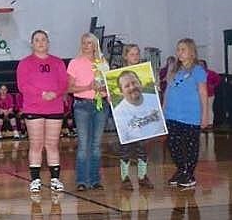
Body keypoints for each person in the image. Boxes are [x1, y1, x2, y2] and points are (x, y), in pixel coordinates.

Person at [17, 30, 68, 194]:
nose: (40, 43)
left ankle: (55, 179)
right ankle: (35, 180)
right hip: (34, 108)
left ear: (48, 42)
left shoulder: (58, 62)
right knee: (36, 144)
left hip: (54, 108)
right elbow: (22, 85)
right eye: (37, 40)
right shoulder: (25, 63)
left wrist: (56, 93)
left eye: (43, 40)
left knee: (52, 145)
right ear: (32, 43)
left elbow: (64, 83)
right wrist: (41, 94)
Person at [113, 44, 161, 190]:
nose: (135, 56)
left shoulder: (145, 72)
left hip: (143, 115)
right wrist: (110, 97)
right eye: (132, 54)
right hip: (126, 116)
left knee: (143, 148)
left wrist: (156, 87)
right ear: (125, 56)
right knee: (125, 147)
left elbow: (151, 93)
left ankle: (142, 176)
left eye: (137, 54)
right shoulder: (117, 73)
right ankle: (125, 177)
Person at [67, 32, 109, 191]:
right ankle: (82, 180)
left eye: (89, 43)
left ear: (95, 45)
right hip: (82, 106)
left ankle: (95, 179)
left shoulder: (103, 63)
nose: (86, 45)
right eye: (84, 42)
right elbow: (69, 88)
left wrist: (106, 90)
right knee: (84, 145)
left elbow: (109, 84)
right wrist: (88, 87)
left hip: (100, 106)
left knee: (96, 145)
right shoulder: (74, 63)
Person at [164, 38, 208, 188]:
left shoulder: (198, 71)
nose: (179, 53)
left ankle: (189, 174)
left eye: (183, 50)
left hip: (190, 115)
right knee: (172, 144)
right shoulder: (175, 70)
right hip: (172, 114)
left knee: (190, 146)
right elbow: (168, 90)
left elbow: (203, 93)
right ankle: (182, 169)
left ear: (192, 53)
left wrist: (205, 115)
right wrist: (163, 110)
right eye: (178, 50)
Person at [198, 59, 221, 130]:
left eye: (202, 64)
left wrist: (213, 85)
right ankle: (202, 122)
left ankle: (210, 123)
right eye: (199, 64)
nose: (200, 66)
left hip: (209, 94)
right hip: (199, 94)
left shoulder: (211, 73)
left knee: (209, 108)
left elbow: (218, 79)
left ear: (205, 65)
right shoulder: (196, 73)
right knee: (200, 109)